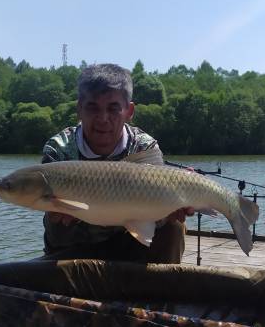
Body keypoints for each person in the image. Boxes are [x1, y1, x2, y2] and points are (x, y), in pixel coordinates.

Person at [40, 63, 194, 263]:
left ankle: (158, 288)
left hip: (131, 243)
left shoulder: (144, 147)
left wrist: (170, 210)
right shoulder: (58, 149)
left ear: (129, 111)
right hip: (73, 246)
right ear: (79, 108)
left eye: (113, 109)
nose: (103, 119)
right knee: (57, 222)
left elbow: (153, 219)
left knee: (173, 226)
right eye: (93, 107)